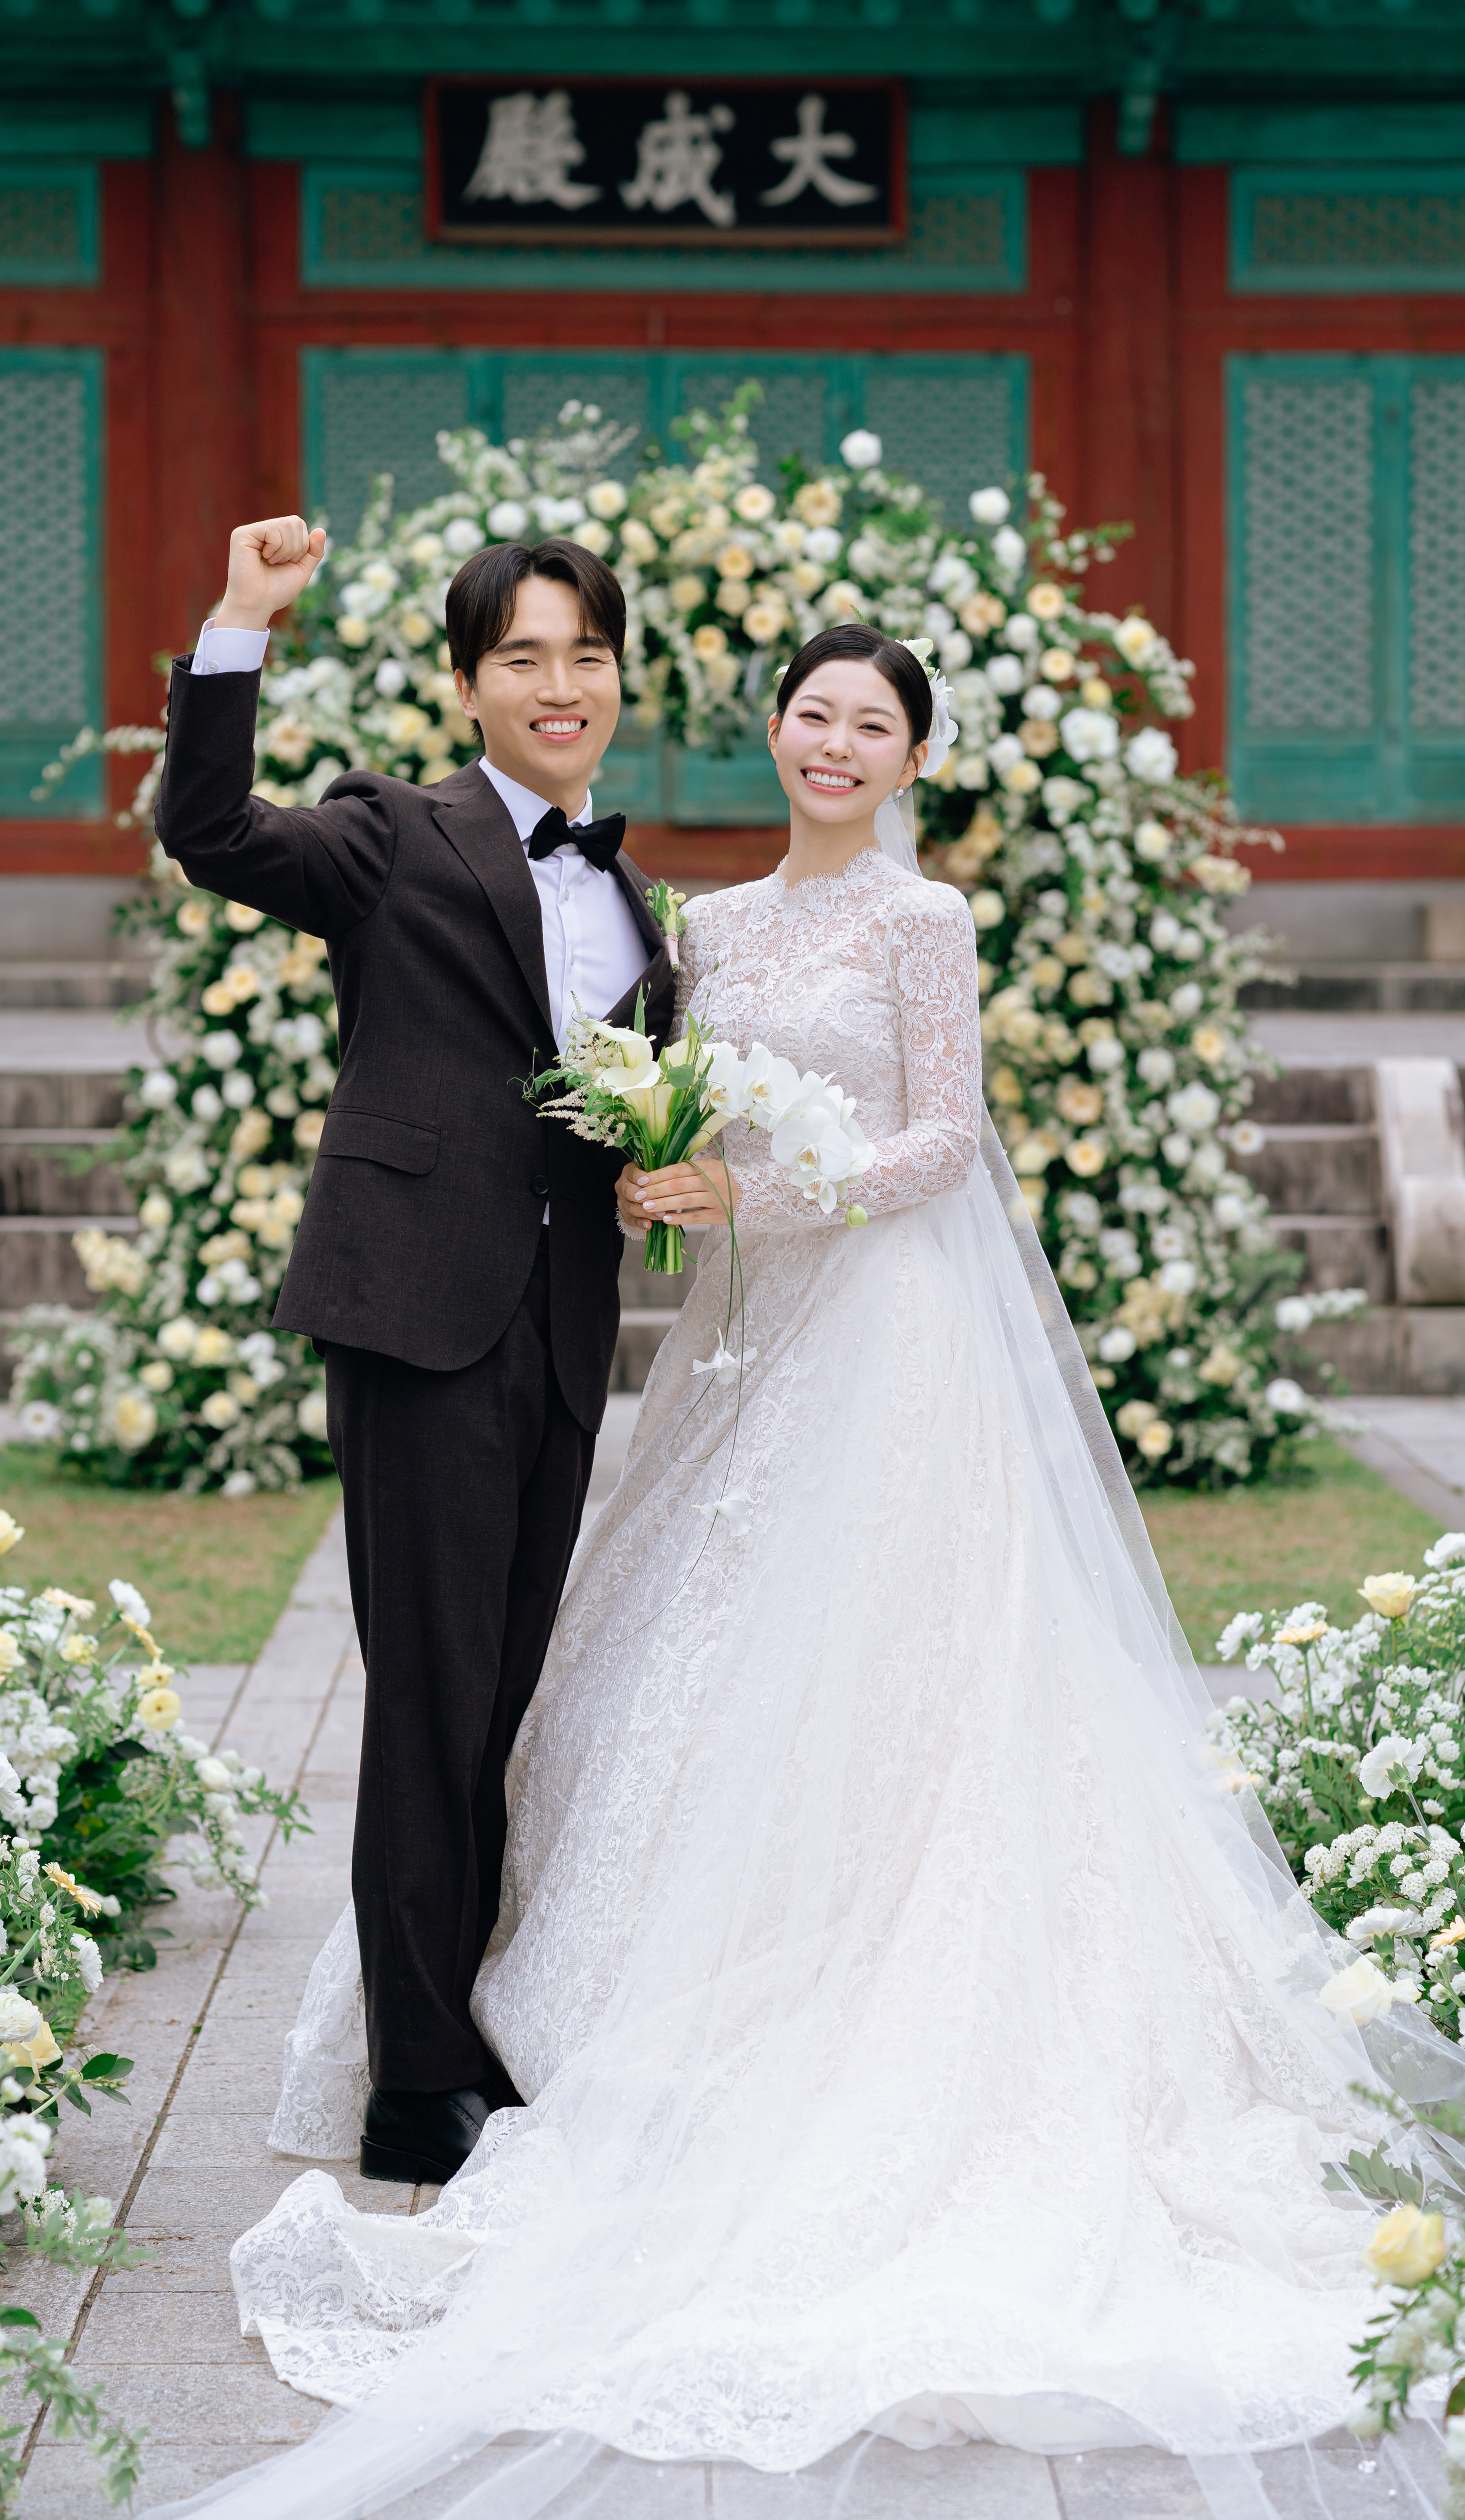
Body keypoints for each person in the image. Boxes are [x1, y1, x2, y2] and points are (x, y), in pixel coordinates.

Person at [157, 625, 1456, 2520]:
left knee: (903, 1677)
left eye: (872, 724)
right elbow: (632, 1098)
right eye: (812, 714)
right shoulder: (700, 929)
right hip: (742, 1352)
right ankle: (563, 2025)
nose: (835, 744)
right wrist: (663, 1180)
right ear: (771, 730)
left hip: (892, 1348)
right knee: (665, 1672)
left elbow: (944, 1139)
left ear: (912, 756)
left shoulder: (926, 921)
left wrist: (761, 1195)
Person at [154, 518, 674, 2188]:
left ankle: (463, 2025)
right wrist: (242, 620)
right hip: (417, 1315)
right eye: (523, 657)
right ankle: (417, 2081)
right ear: (467, 686)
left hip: (563, 1324)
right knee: (429, 1696)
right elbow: (210, 829)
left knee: (500, 1693)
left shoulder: (634, 899)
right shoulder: (394, 832)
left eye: (586, 655)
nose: (559, 684)